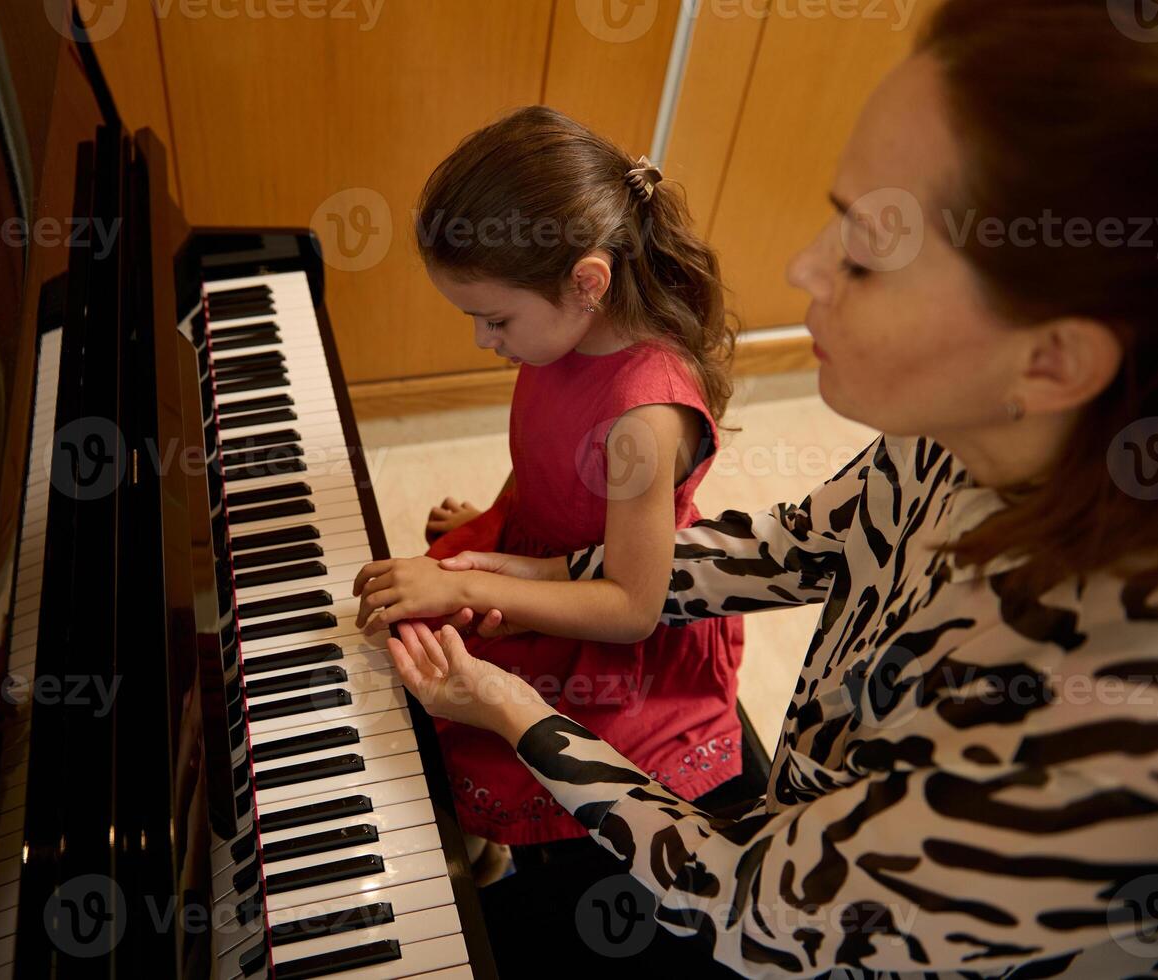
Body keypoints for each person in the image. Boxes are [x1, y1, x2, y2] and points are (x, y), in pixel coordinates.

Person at [369, 0, 1158, 975]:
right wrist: (528, 567)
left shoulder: (1100, 732)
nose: (801, 269)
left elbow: (750, 904)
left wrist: (517, 710)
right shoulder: (965, 433)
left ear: (1054, 359)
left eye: (867, 254)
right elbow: (795, 546)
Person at [350, 106, 746, 858]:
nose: (482, 340)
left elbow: (631, 606)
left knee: (468, 719)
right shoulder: (560, 334)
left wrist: (468, 587)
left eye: (493, 319)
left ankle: (496, 858)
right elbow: (548, 448)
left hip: (604, 628)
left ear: (586, 282)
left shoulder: (642, 415)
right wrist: (507, 510)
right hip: (537, 550)